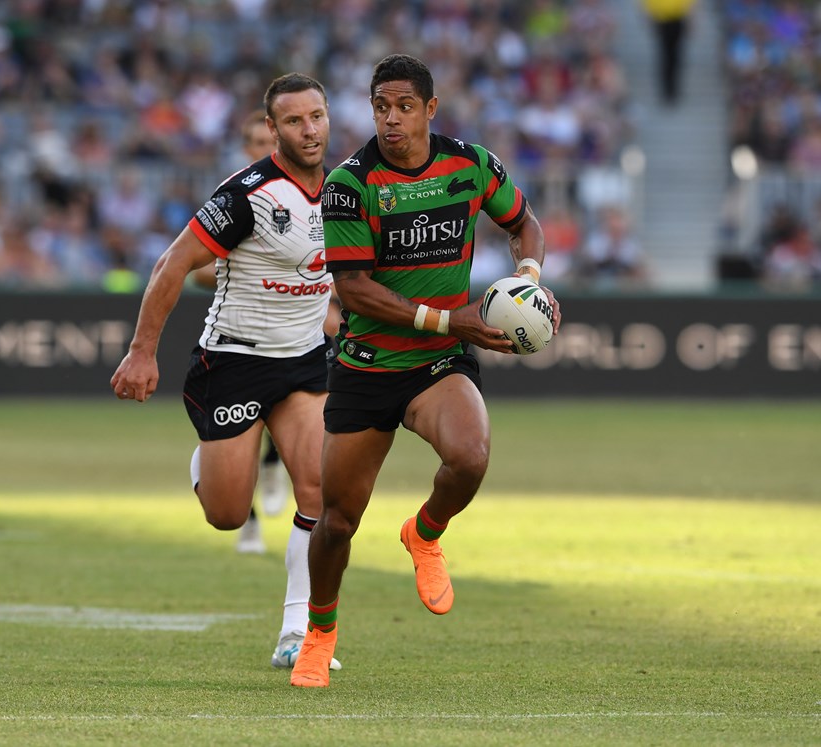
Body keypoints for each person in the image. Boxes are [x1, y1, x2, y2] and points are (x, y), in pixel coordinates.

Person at [290, 54, 561, 687]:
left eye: (405, 107)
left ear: (430, 109)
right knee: (338, 521)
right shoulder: (350, 184)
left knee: (470, 457)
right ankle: (319, 633)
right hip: (367, 364)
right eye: (381, 107)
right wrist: (449, 320)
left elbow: (524, 223)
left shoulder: (470, 164)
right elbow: (354, 290)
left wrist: (527, 278)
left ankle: (424, 532)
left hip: (437, 362)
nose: (391, 119)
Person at [110, 73, 341, 672]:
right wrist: (142, 351)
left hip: (303, 362)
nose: (309, 130)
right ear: (272, 128)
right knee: (227, 514)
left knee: (319, 491)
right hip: (235, 360)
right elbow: (173, 264)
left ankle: (298, 632)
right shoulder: (246, 194)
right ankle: (210, 461)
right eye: (294, 120)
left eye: (316, 116)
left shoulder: (346, 190)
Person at [193, 108, 288, 555]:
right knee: (235, 440)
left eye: (270, 142)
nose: (266, 150)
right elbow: (195, 268)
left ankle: (274, 461)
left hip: (293, 332)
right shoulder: (234, 196)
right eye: (257, 143)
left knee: (295, 417)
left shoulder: (309, 194)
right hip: (240, 334)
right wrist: (251, 274)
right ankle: (248, 521)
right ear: (247, 148)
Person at [641, 0, 697, 106]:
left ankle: (673, 87)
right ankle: (666, 89)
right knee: (665, 54)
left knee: (675, 55)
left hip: (678, 17)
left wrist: (691, 17)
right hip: (661, 18)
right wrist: (648, 14)